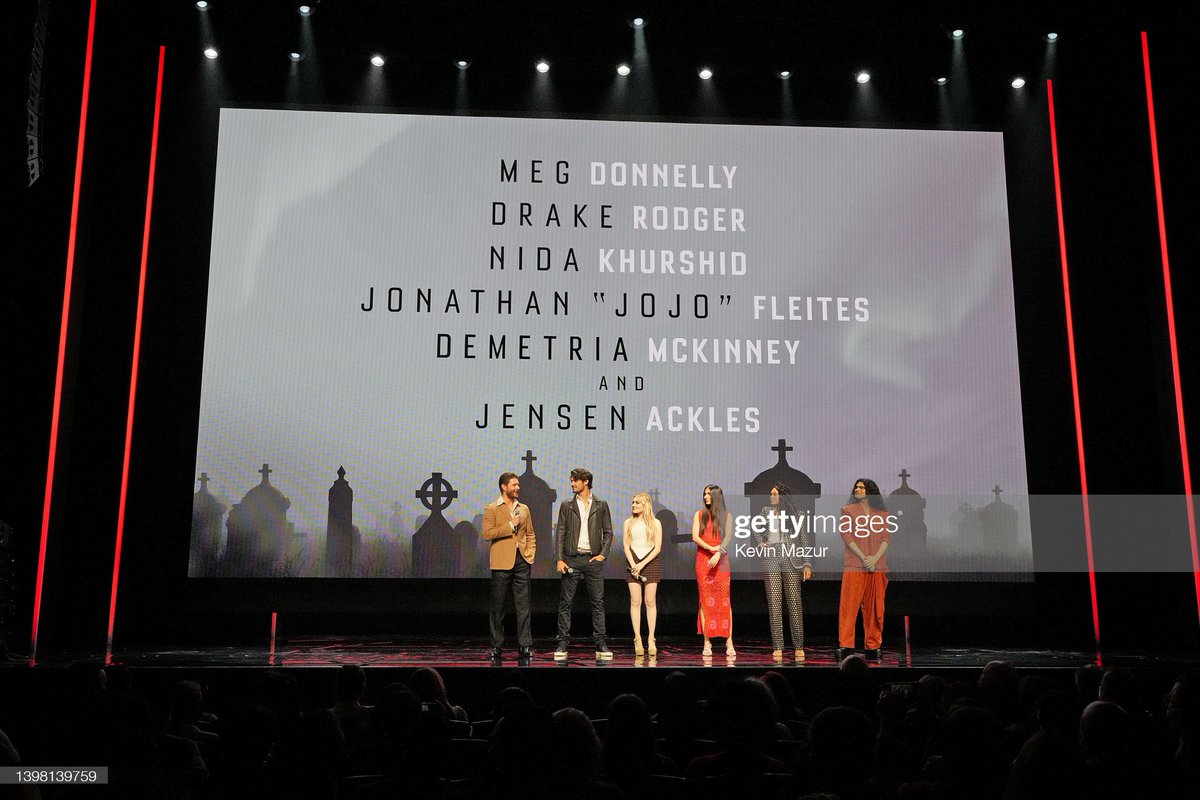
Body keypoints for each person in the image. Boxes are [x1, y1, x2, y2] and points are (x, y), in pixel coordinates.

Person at [554, 467, 614, 661]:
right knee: (566, 602)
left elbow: (608, 532)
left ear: (585, 481)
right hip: (571, 558)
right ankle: (563, 642)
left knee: (598, 602)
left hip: (592, 559)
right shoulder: (566, 505)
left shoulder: (601, 504)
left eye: (575, 480)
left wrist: (602, 555)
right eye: (571, 480)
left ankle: (600, 643)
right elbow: (561, 532)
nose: (572, 483)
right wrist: (560, 558)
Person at [482, 471, 536, 664]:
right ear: (504, 487)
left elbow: (530, 533)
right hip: (501, 562)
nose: (518, 488)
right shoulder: (492, 508)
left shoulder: (525, 509)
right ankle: (496, 645)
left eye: (518, 485)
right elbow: (487, 534)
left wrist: (530, 553)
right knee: (498, 606)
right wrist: (509, 525)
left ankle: (525, 644)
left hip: (522, 560)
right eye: (514, 485)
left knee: (524, 605)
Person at [837, 477, 891, 661]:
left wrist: (875, 558)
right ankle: (846, 645)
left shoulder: (882, 513)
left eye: (861, 487)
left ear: (870, 490)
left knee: (875, 609)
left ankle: (873, 645)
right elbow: (846, 535)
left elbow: (886, 538)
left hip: (877, 566)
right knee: (849, 607)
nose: (857, 490)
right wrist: (863, 557)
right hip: (855, 564)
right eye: (856, 487)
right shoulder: (847, 510)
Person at [759, 482, 812, 663]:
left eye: (774, 494)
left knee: (794, 601)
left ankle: (798, 645)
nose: (771, 496)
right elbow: (756, 528)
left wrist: (807, 563)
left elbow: (804, 539)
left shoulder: (796, 514)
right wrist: (761, 542)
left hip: (791, 557)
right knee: (774, 601)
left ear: (782, 496)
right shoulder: (766, 511)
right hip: (772, 556)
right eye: (771, 493)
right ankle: (778, 646)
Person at [692, 484, 735, 658]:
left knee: (725, 601)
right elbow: (695, 536)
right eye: (704, 494)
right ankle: (707, 643)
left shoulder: (727, 516)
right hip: (703, 561)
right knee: (705, 601)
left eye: (709, 494)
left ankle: (729, 642)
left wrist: (718, 552)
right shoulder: (699, 515)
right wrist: (710, 548)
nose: (706, 496)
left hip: (722, 561)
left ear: (717, 496)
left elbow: (728, 536)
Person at [623, 492, 663, 657]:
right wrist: (634, 565)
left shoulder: (656, 523)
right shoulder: (628, 523)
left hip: (650, 562)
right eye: (632, 502)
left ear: (645, 505)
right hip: (633, 563)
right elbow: (626, 545)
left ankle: (651, 638)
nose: (634, 505)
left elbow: (657, 547)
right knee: (635, 601)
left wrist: (642, 564)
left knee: (650, 601)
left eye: (637, 503)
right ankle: (637, 638)